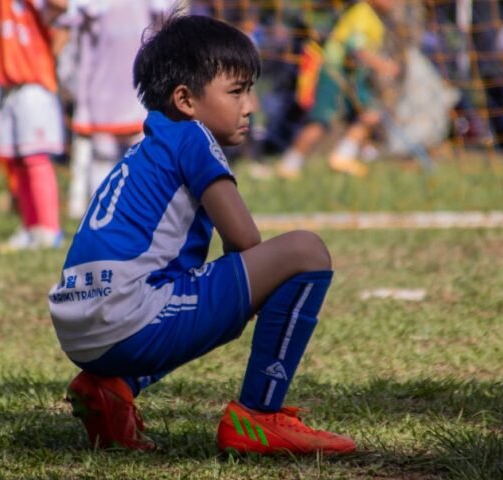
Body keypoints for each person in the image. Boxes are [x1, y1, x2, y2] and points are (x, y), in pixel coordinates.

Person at [49, 14, 356, 455]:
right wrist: (252, 294)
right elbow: (245, 241)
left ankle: (110, 388)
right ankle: (259, 415)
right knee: (306, 251)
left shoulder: (150, 146)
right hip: (126, 315)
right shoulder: (193, 137)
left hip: (81, 324)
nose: (250, 105)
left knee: (210, 296)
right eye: (236, 91)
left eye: (249, 89)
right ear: (186, 100)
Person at [62, 0, 169, 219]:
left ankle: (143, 216)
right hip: (103, 91)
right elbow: (68, 19)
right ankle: (102, 219)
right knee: (103, 156)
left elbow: (165, 18)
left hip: (140, 92)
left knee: (143, 155)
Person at [276, 0, 399, 179]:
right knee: (320, 121)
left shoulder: (372, 17)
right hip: (334, 72)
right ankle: (289, 165)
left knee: (369, 114)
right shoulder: (362, 14)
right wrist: (383, 66)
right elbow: (356, 48)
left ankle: (343, 156)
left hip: (351, 75)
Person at [0, 0, 67, 251]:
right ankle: (30, 226)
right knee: (18, 161)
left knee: (36, 158)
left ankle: (50, 229)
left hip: (33, 86)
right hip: (7, 86)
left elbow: (62, 6)